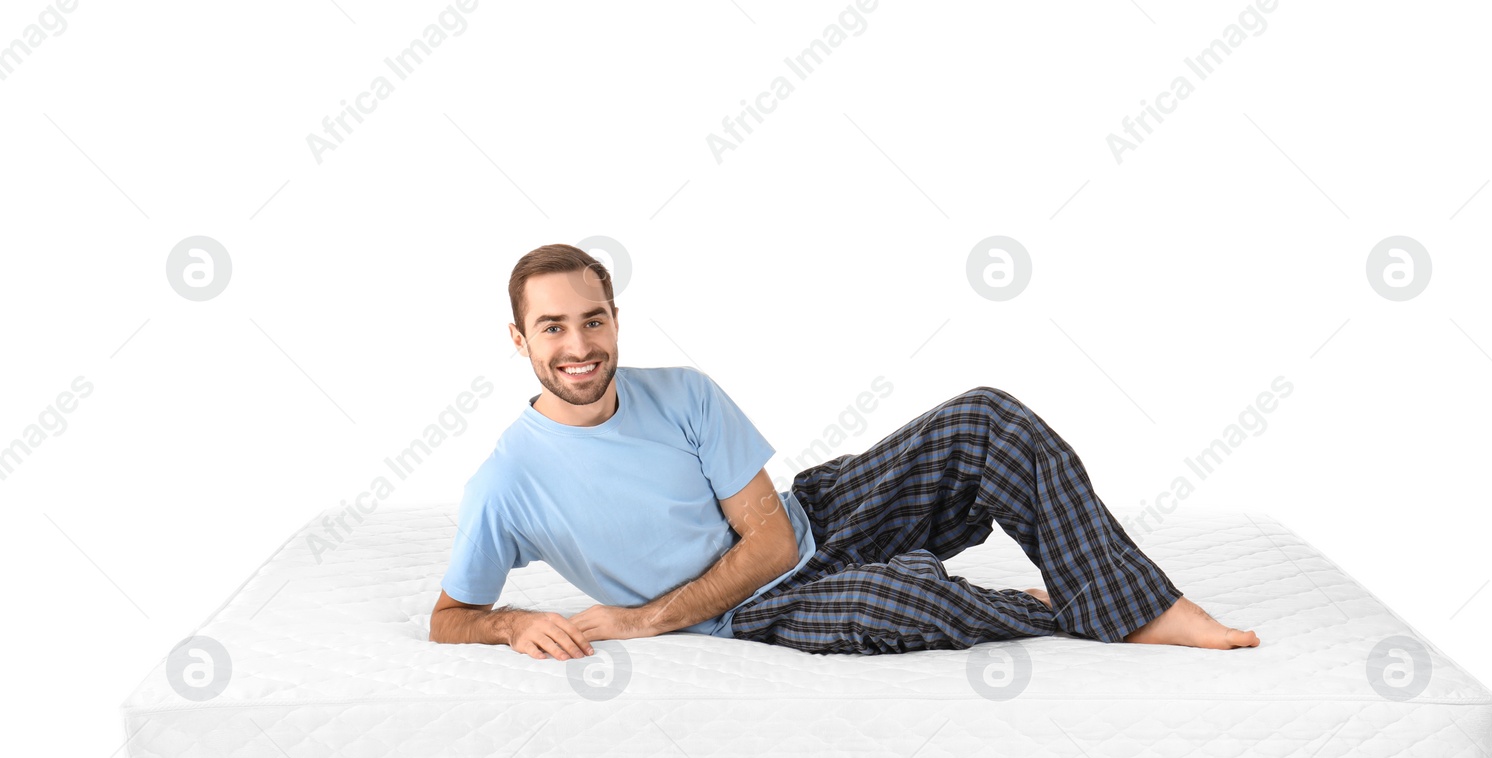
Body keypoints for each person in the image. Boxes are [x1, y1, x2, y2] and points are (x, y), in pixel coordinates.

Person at [429, 244, 1260, 660]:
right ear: (520, 340)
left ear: (614, 319)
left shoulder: (681, 394)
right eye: (553, 326)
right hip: (743, 613)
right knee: (902, 604)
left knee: (984, 418)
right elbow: (447, 617)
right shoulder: (508, 480)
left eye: (593, 319)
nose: (579, 344)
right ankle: (1065, 604)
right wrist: (514, 624)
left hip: (812, 523)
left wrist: (642, 619)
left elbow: (776, 540)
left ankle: (1137, 605)